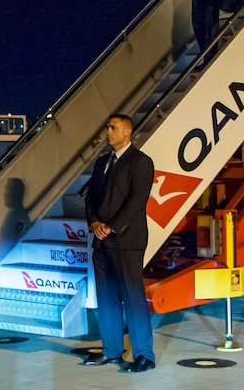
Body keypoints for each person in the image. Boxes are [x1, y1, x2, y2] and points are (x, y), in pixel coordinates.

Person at [81, 114, 156, 373]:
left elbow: (137, 201)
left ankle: (144, 354)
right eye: (107, 127)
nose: (108, 131)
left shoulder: (141, 162)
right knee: (107, 298)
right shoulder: (102, 162)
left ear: (127, 132)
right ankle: (111, 350)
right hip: (101, 243)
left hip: (127, 241)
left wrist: (111, 226)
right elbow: (90, 199)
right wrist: (94, 224)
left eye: (113, 128)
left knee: (133, 298)